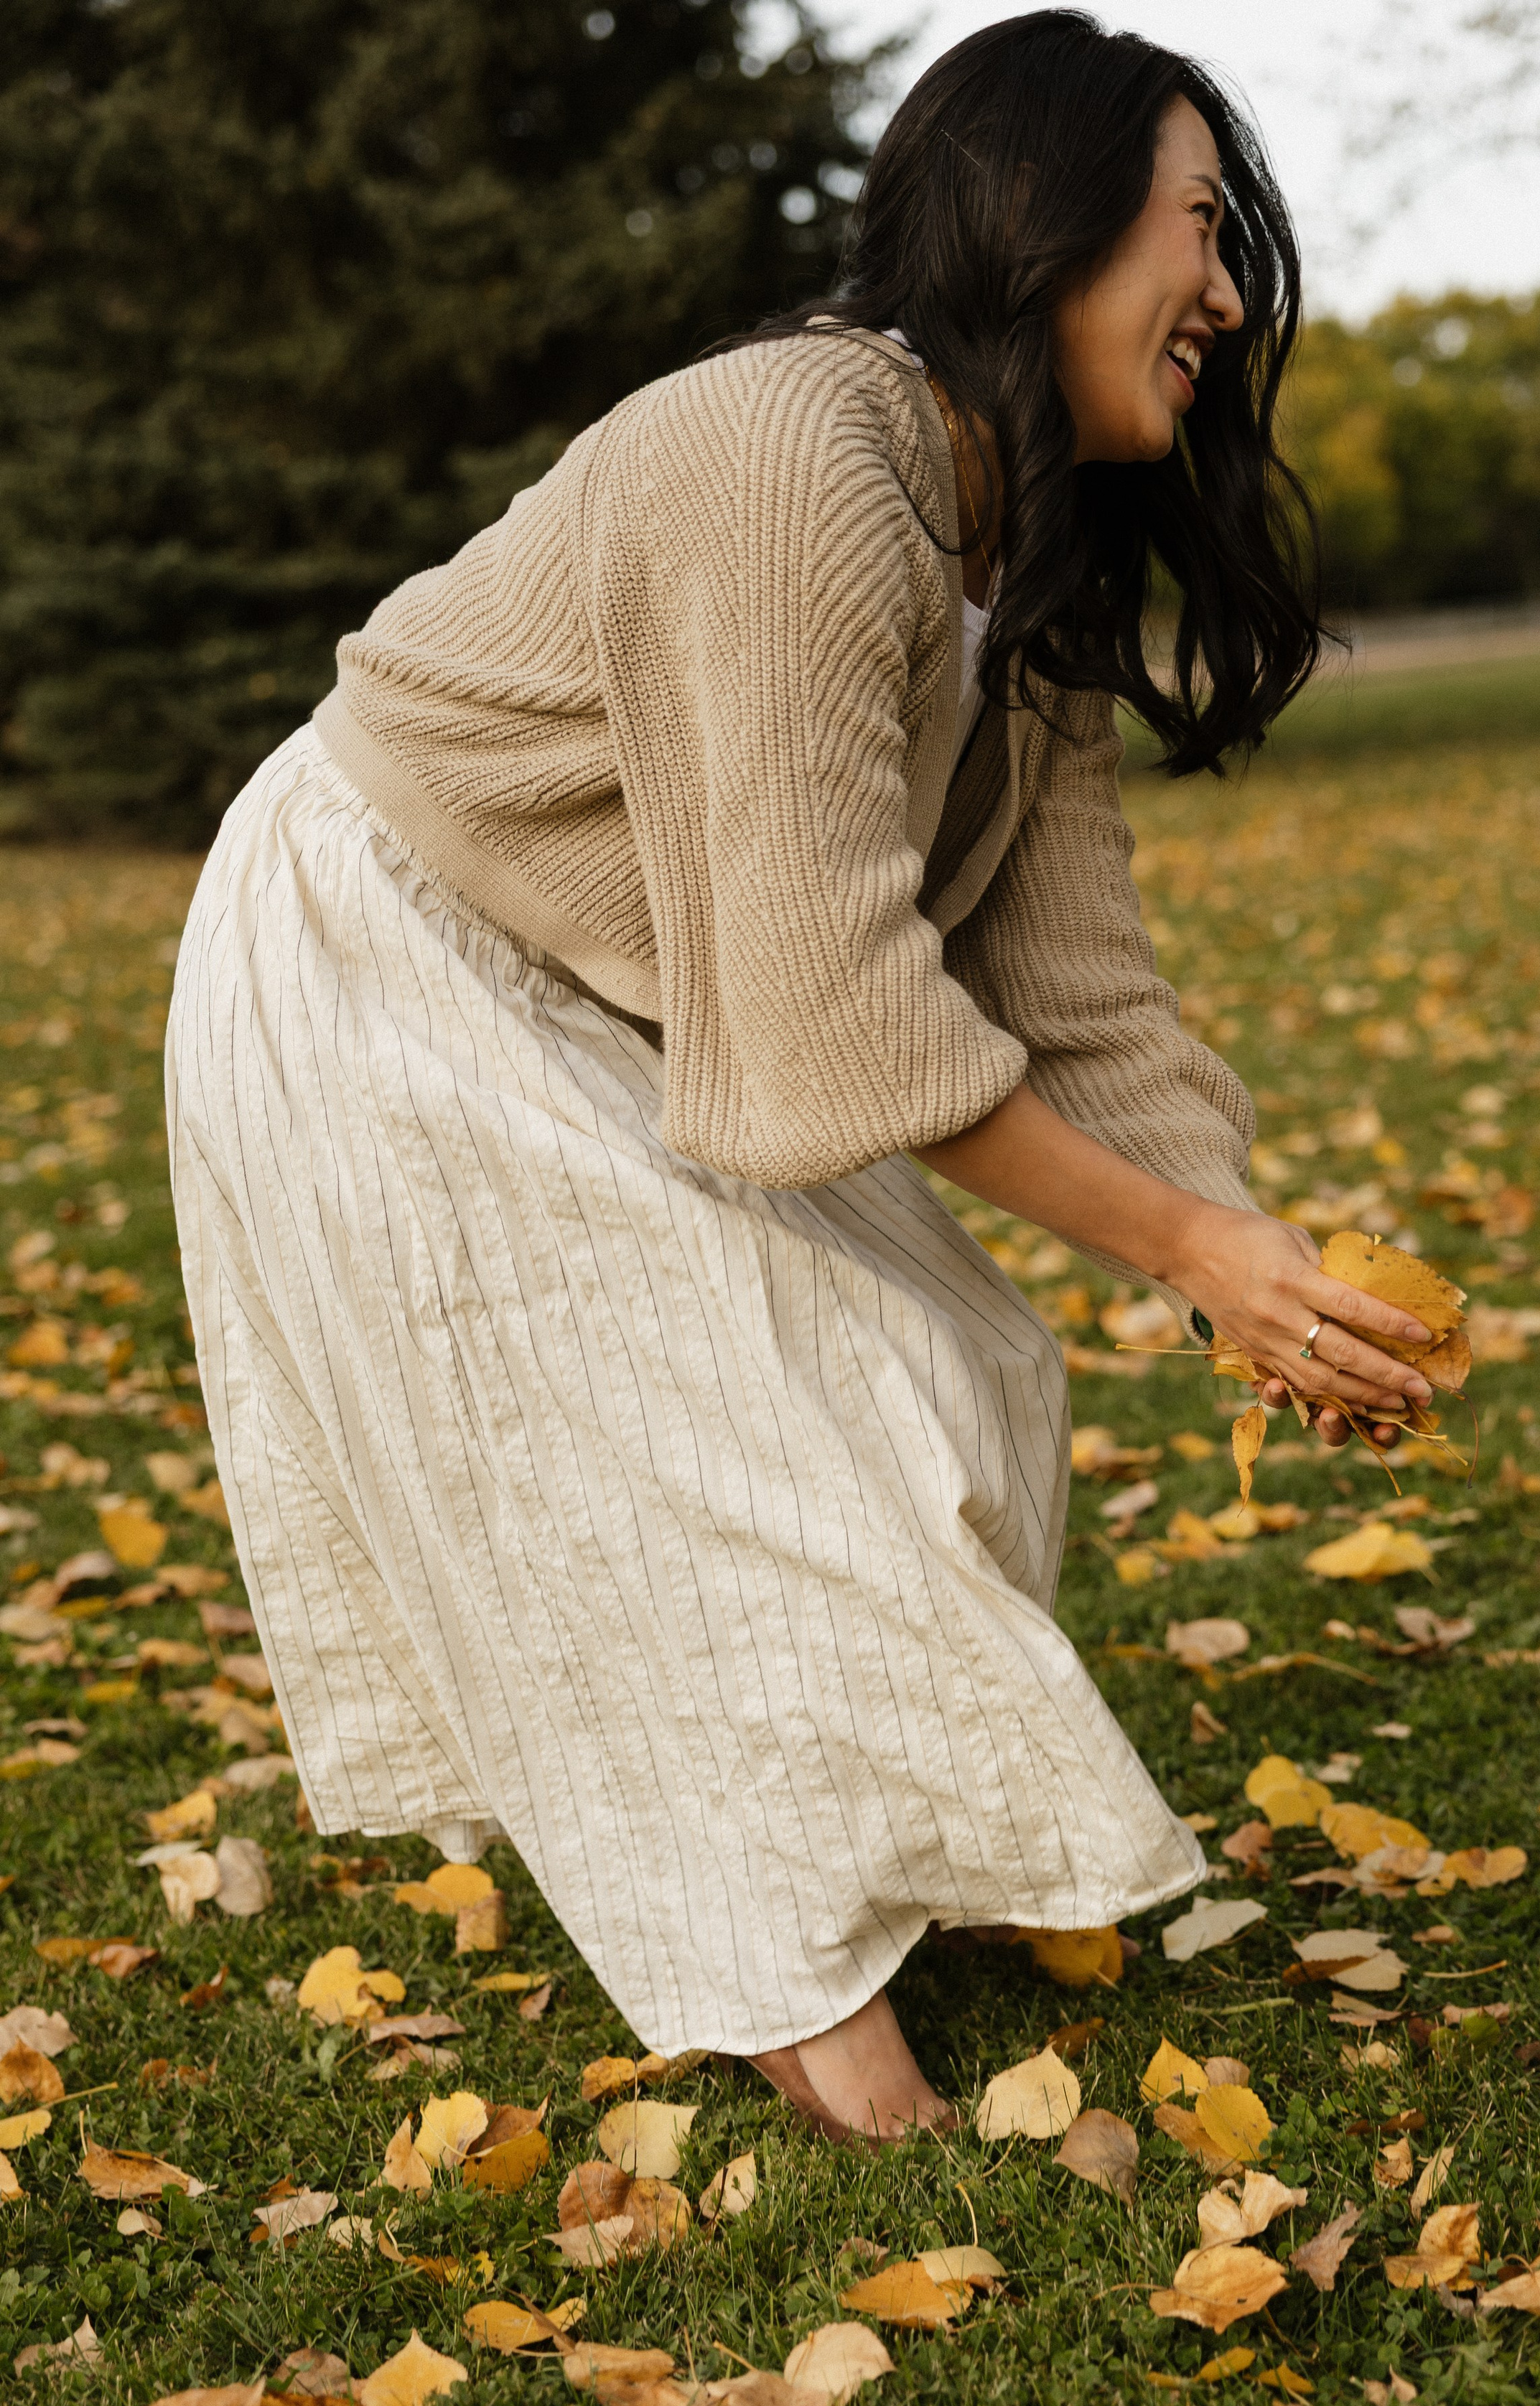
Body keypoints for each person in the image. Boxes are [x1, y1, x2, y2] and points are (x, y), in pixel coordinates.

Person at [166, 10, 1432, 2146]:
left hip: (646, 984)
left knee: (951, 1368)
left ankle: (836, 1862)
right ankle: (809, 2016)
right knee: (709, 1437)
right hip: (390, 938)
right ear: (1044, 210)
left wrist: (1249, 1253)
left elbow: (1079, 986)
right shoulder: (794, 453)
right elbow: (847, 1009)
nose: (1228, 293)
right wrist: (1196, 1250)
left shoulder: (1010, 547)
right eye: (1201, 228)